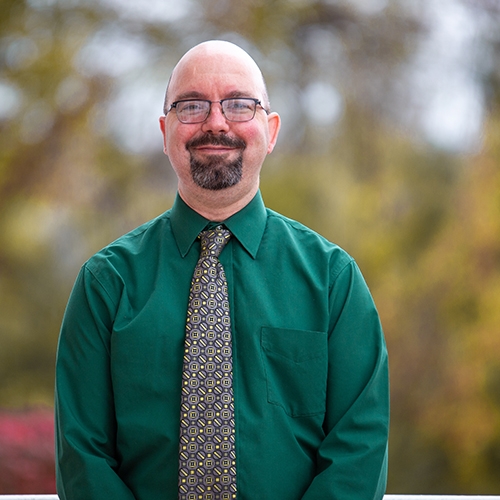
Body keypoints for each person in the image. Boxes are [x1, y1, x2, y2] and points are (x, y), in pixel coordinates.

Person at [55, 40, 389, 500]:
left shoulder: (334, 281)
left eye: (238, 104)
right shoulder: (106, 284)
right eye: (192, 106)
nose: (215, 122)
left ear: (270, 131)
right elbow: (82, 458)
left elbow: (358, 452)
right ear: (165, 131)